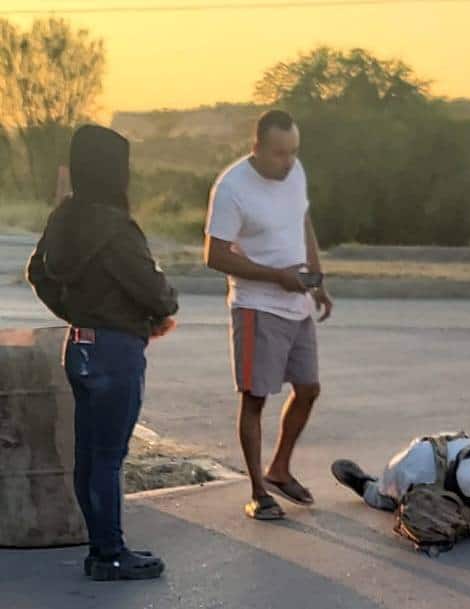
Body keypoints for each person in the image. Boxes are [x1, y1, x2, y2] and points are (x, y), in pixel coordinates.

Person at [27, 124, 179, 580]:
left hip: (80, 344)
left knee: (90, 455)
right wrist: (160, 309)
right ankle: (110, 553)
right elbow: (154, 291)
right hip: (116, 350)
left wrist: (74, 309)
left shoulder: (64, 218)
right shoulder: (115, 227)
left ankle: (101, 548)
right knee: (109, 457)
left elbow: (39, 272)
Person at [205, 110, 333, 521]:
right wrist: (276, 277)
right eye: (280, 153)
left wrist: (317, 279)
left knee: (309, 388)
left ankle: (279, 468)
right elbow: (215, 255)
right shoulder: (232, 188)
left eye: (294, 151)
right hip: (255, 308)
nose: (289, 162)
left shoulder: (295, 174)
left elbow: (303, 220)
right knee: (255, 399)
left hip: (297, 305)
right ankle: (259, 492)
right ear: (256, 146)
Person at [331, 433, 470, 536]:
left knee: (382, 498)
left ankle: (363, 484)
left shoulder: (419, 458)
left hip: (420, 480)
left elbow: (388, 482)